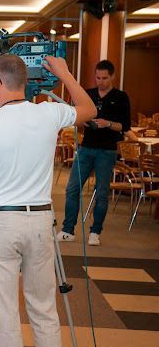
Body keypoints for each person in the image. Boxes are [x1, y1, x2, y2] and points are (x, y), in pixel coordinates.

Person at [0, 54, 96, 347]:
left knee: (5, 313)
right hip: (40, 222)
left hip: (2, 222)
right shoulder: (49, 113)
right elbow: (89, 110)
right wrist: (65, 74)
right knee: (44, 309)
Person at [56, 60, 131, 246]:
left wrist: (108, 124)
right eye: (97, 78)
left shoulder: (121, 97)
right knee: (72, 189)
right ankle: (68, 230)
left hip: (107, 151)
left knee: (102, 192)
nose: (100, 81)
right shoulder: (88, 94)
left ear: (112, 77)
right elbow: (77, 119)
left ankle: (95, 232)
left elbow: (124, 127)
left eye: (104, 78)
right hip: (86, 148)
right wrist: (83, 122)